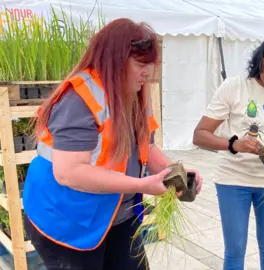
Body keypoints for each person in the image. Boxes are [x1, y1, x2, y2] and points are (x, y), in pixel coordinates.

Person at [22, 18, 202, 270]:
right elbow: (69, 172)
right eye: (141, 64)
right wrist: (142, 185)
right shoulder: (80, 98)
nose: (147, 74)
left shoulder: (137, 93)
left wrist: (175, 171)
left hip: (117, 215)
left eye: (151, 65)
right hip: (68, 219)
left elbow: (145, 148)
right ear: (114, 60)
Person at [193, 32, 264, 269]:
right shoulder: (234, 87)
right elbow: (200, 135)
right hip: (232, 180)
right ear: (260, 58)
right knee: (235, 250)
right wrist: (233, 144)